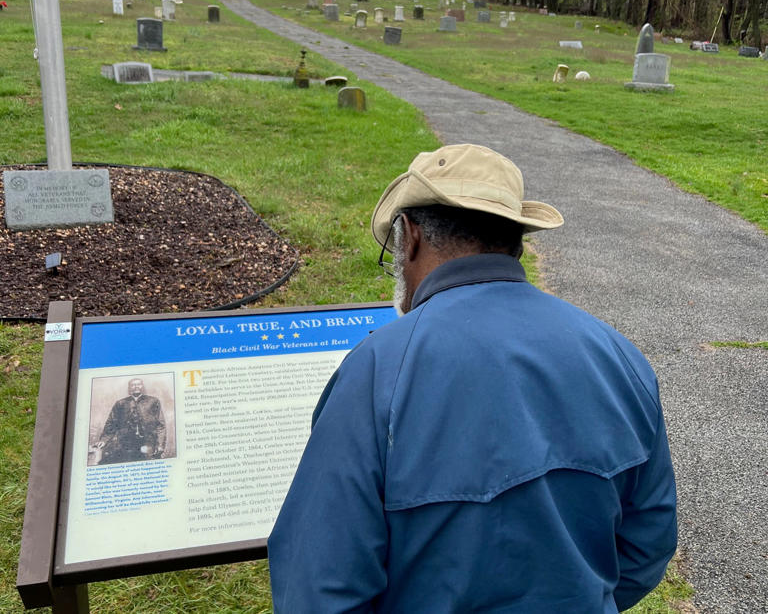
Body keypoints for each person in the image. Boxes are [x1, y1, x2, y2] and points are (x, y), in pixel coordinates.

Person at [268, 143, 677, 612]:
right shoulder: (619, 355)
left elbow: (318, 589)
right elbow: (647, 548)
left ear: (410, 236)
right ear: (517, 239)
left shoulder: (377, 369)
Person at [97, 378, 166, 464]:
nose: (136, 387)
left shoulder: (153, 401)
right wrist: (104, 440)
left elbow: (160, 425)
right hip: (126, 445)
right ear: (129, 387)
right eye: (133, 385)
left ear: (142, 386)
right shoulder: (120, 403)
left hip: (148, 443)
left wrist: (160, 444)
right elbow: (111, 423)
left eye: (139, 384)